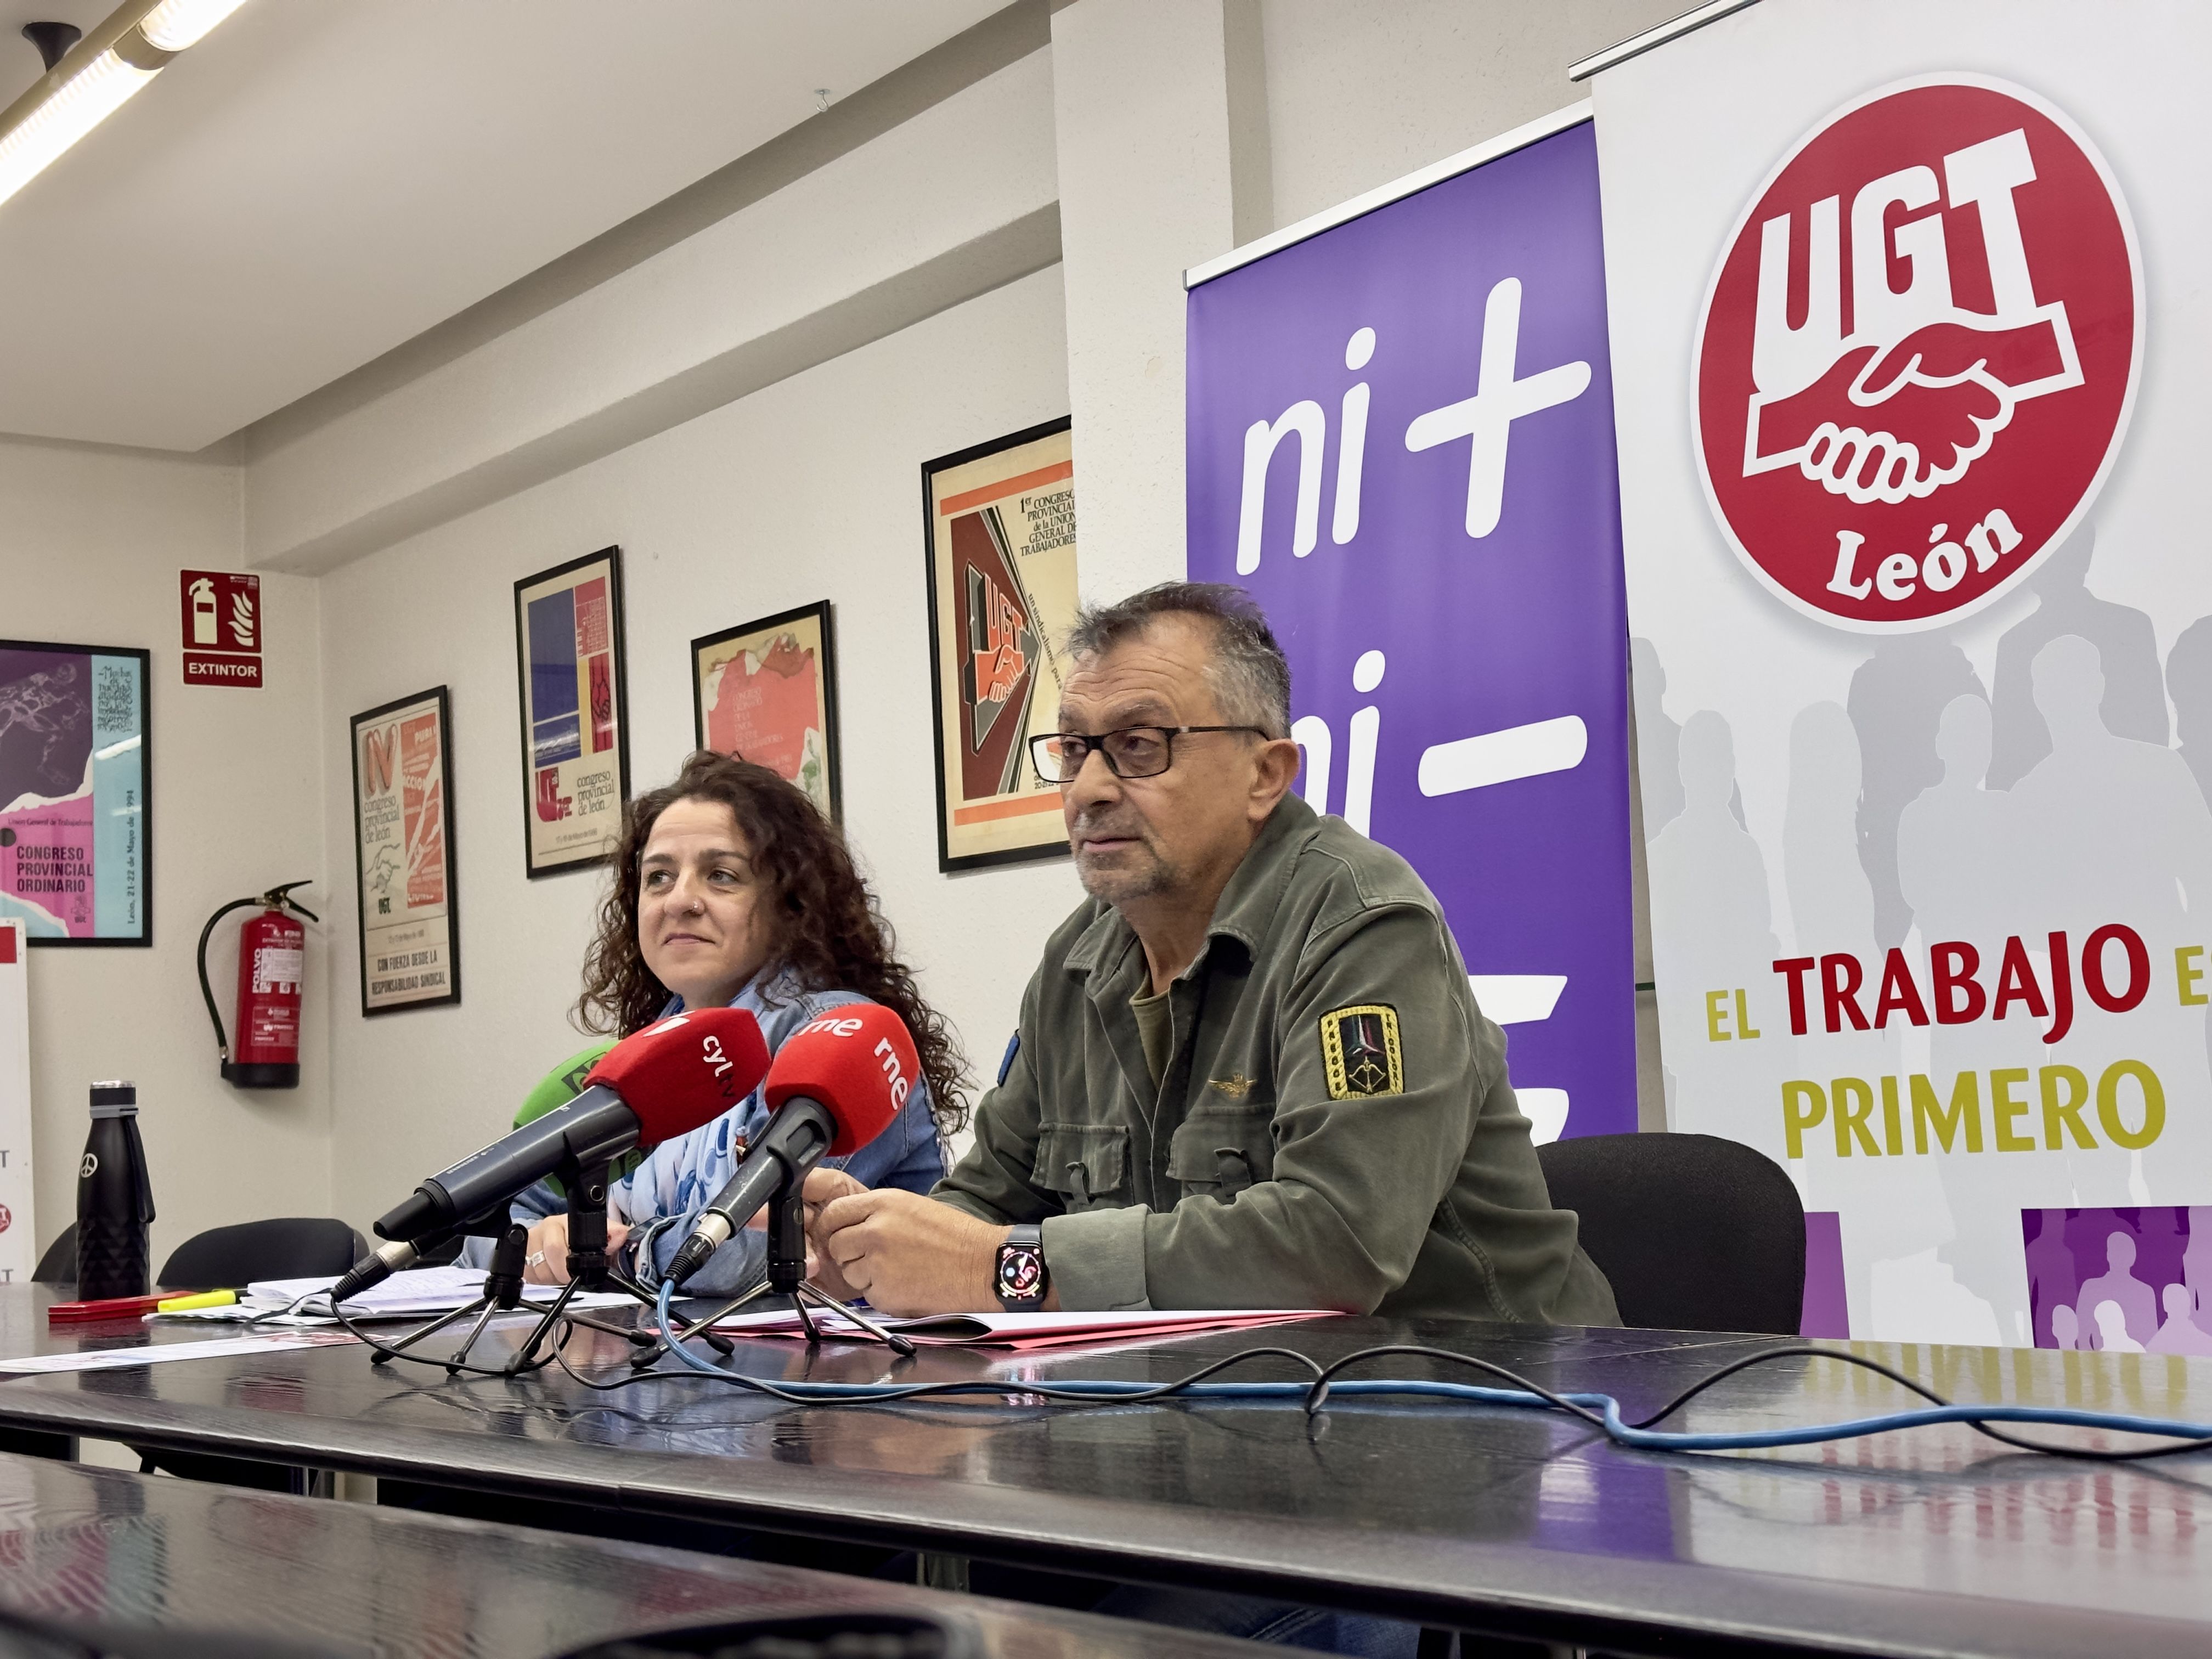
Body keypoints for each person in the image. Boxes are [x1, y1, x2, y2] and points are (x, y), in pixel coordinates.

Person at [807, 582, 1617, 1326]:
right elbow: (990, 1197)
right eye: (1072, 750)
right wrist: (871, 1248)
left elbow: (1336, 1244)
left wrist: (1004, 1269)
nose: (1087, 789)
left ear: (1266, 774)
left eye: (1139, 745)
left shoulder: (1363, 925)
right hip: (1222, 1410)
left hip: (1490, 1407)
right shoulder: (1076, 961)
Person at [506, 751, 961, 1294]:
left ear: (791, 903)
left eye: (721, 876)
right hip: (656, 1365)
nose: (680, 901)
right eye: (658, 878)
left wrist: (606, 1254)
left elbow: (782, 1251)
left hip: (832, 1372)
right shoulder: (640, 1057)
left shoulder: (837, 1039)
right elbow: (499, 1238)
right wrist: (546, 1243)